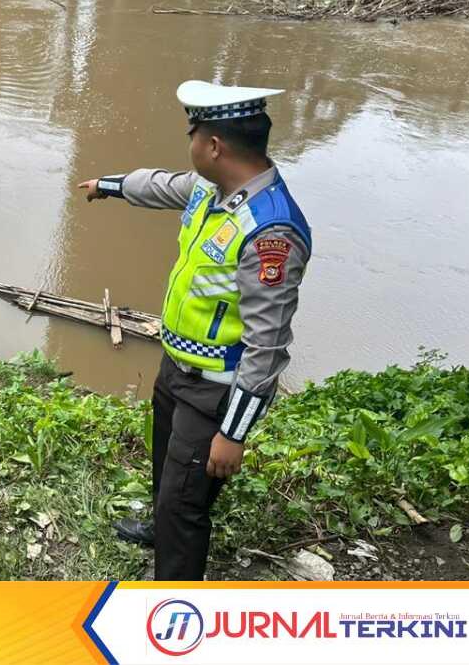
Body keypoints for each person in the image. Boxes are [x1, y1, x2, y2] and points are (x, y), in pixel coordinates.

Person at [77, 80, 312, 580]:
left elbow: (267, 346)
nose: (190, 147)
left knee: (185, 505)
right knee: (167, 468)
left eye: (194, 134)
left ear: (213, 145)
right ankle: (159, 528)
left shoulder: (270, 231)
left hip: (215, 392)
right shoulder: (214, 189)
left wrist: (234, 432)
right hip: (178, 366)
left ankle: (174, 606)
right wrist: (110, 186)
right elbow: (163, 185)